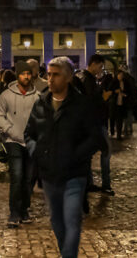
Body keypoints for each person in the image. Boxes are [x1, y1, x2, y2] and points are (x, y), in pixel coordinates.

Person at [25, 57, 104, 258]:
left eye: (56, 75)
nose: (50, 79)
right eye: (49, 75)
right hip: (50, 175)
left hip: (74, 174)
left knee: (72, 220)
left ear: (68, 77)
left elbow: (94, 137)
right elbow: (29, 134)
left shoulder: (82, 105)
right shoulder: (41, 103)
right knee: (57, 222)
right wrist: (39, 154)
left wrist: (75, 156)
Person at [0, 62, 40, 227]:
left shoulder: (37, 97)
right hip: (12, 141)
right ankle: (14, 212)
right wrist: (10, 130)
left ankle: (24, 210)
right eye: (23, 74)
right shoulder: (6, 95)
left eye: (28, 74)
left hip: (31, 142)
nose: (26, 77)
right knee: (17, 176)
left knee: (28, 179)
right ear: (17, 75)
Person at [74, 54, 115, 195]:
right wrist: (103, 98)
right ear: (93, 64)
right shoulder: (88, 80)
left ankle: (88, 183)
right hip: (95, 122)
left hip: (91, 122)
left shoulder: (85, 78)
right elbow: (91, 102)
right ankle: (106, 184)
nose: (101, 69)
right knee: (106, 151)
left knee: (89, 154)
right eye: (100, 66)